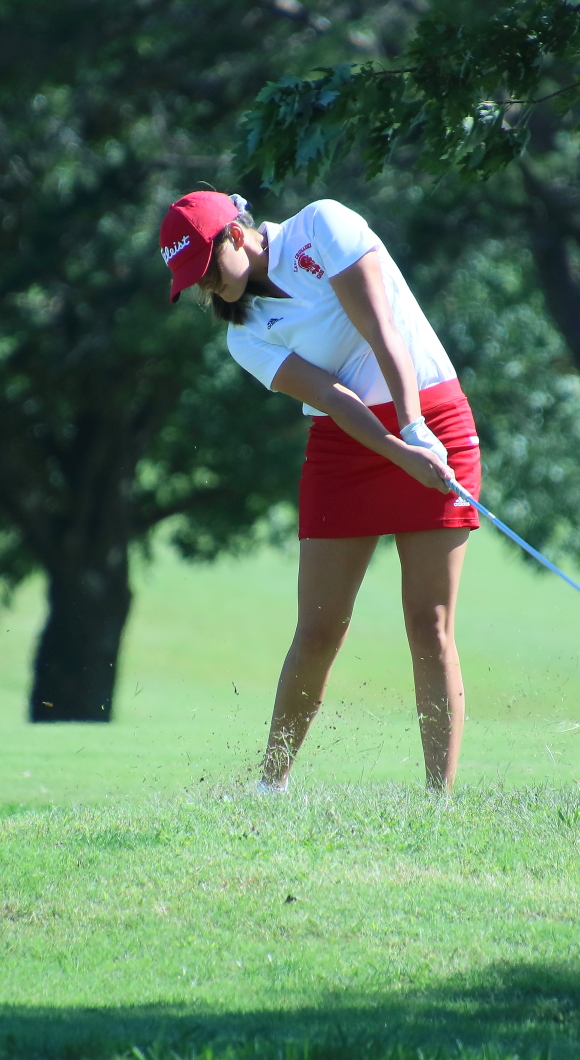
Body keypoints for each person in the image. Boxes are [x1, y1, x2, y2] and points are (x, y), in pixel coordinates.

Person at [159, 191, 482, 793]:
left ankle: (441, 803)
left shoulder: (321, 226)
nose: (204, 288)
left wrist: (414, 429)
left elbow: (381, 327)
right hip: (344, 444)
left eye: (205, 269)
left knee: (429, 623)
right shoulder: (243, 335)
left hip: (432, 414)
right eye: (192, 282)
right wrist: (396, 449)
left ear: (235, 234)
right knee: (319, 628)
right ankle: (270, 788)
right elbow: (332, 397)